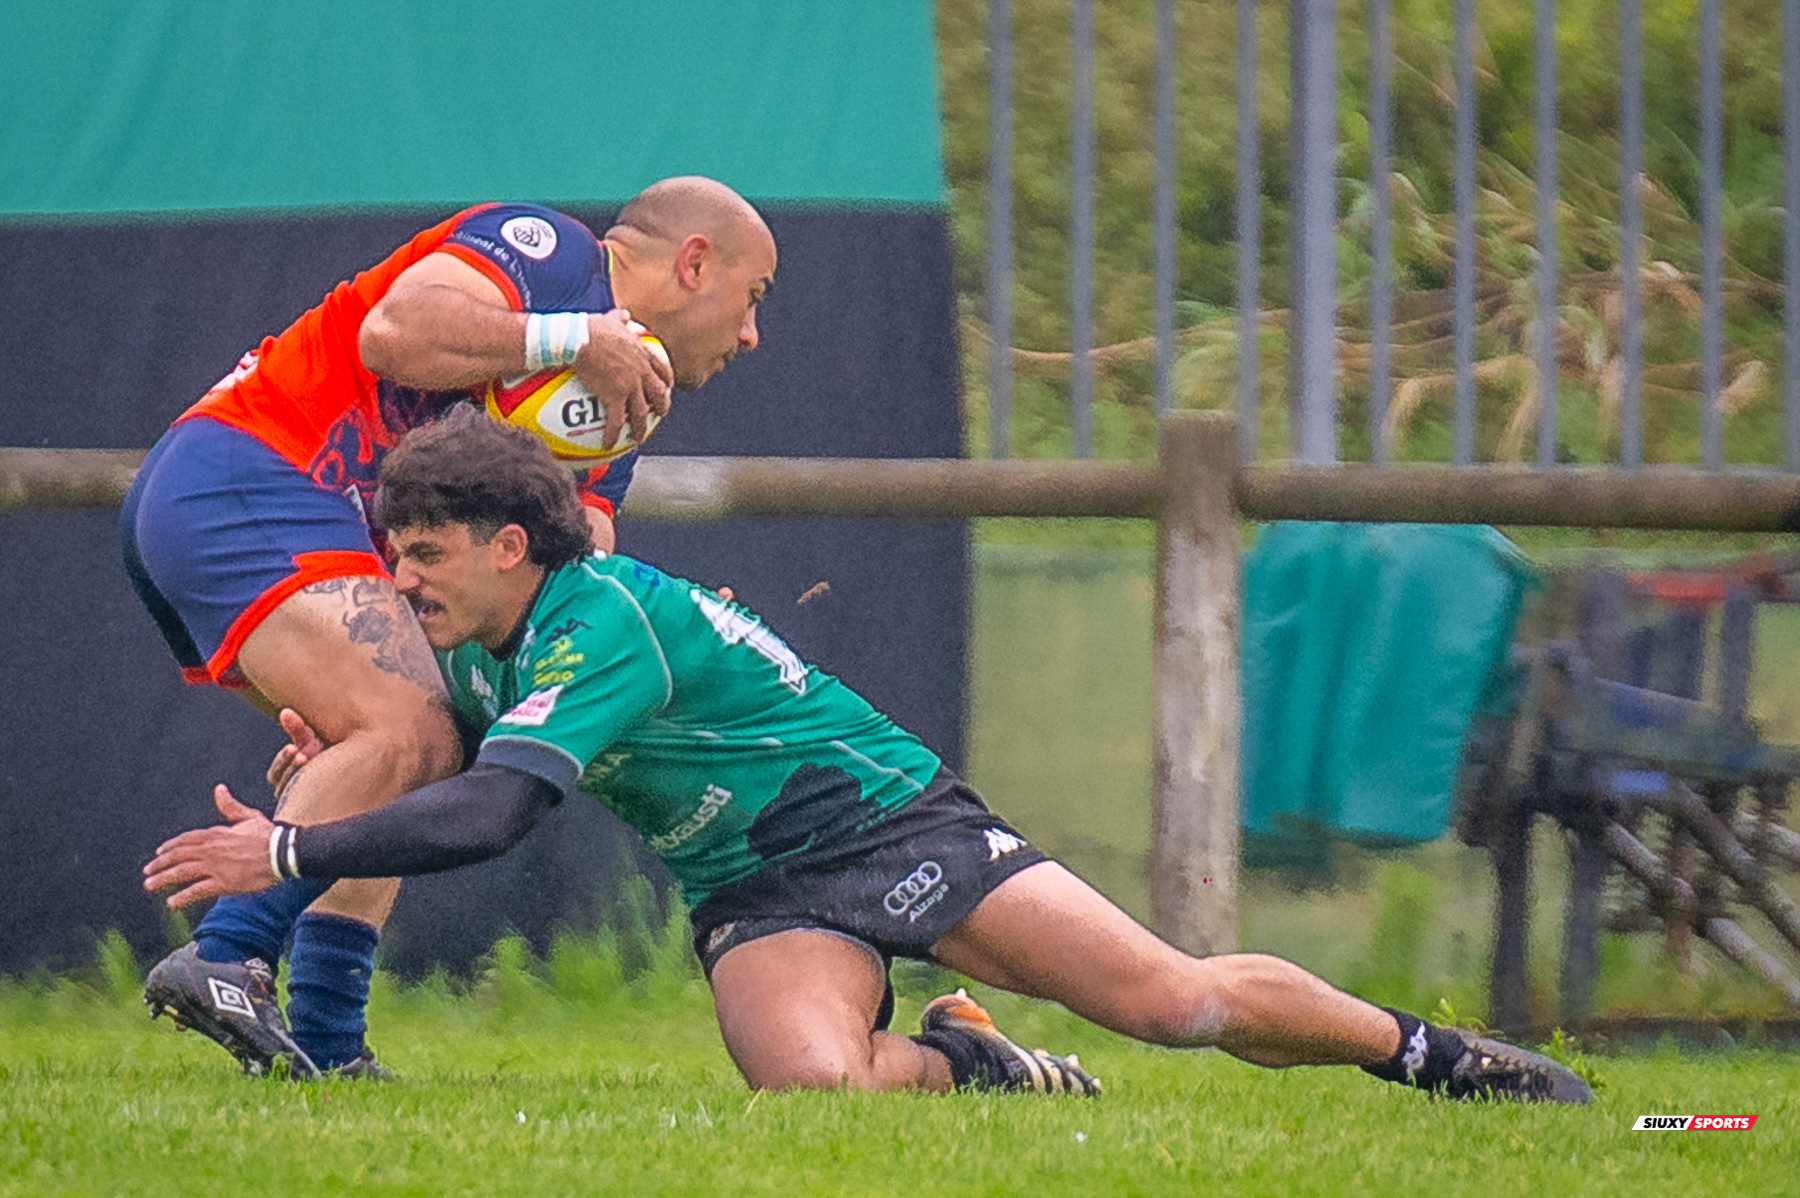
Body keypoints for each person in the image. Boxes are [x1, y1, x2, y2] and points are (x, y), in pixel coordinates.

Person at [145, 411, 1592, 1103]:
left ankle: (1438, 1057)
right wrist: (331, 771)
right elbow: (438, 758)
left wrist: (289, 854)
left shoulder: (605, 620)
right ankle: (968, 1062)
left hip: (891, 827)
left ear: (513, 544)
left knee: (1174, 1000)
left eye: (423, 553)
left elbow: (497, 814)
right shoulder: (474, 638)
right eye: (390, 554)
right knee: (820, 1095)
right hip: (754, 886)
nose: (398, 579)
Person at [124, 177, 778, 1078]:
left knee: (427, 738)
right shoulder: (551, 254)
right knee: (415, 731)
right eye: (753, 299)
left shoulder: (624, 408)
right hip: (245, 473)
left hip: (294, 514)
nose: (751, 334)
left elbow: (565, 557)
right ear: (695, 263)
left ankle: (325, 1043)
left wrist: (691, 625)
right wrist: (569, 337)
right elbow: (390, 333)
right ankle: (228, 952)